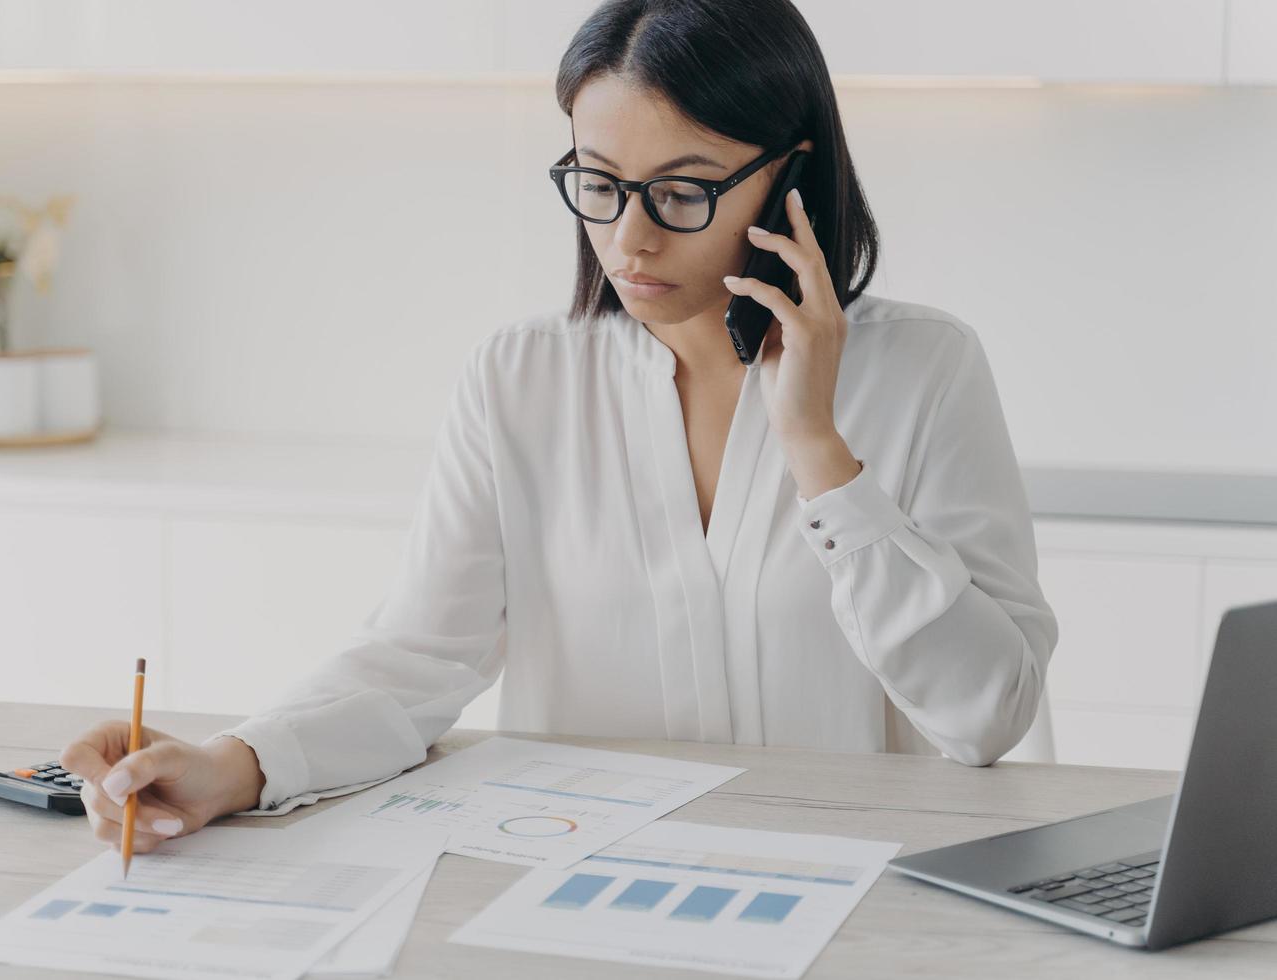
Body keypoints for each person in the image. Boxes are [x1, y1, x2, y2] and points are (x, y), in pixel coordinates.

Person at [61, 0, 1059, 855]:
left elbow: (985, 714)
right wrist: (236, 763)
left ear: (789, 174)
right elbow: (415, 657)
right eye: (597, 182)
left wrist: (821, 457)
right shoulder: (519, 378)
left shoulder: (927, 369)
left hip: (850, 897)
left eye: (681, 190)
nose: (629, 235)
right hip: (587, 897)